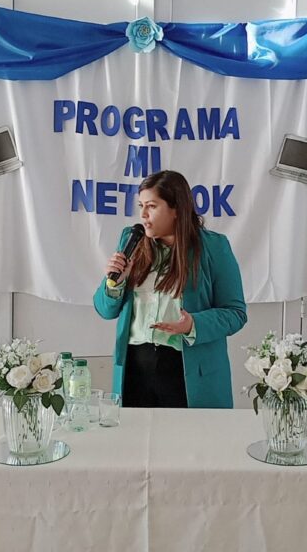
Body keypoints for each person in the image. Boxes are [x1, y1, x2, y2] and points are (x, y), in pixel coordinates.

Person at [93, 170, 247, 408]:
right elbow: (105, 310)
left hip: (187, 372)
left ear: (176, 209)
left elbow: (235, 313)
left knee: (189, 434)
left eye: (152, 206)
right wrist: (115, 282)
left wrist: (193, 324)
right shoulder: (131, 241)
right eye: (141, 206)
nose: (143, 214)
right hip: (135, 370)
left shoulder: (214, 247)